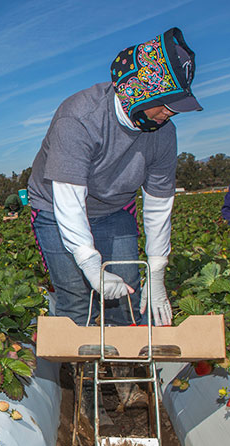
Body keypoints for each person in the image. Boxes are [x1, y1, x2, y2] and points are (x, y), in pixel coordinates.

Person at [27, 27, 202, 329]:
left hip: (114, 209)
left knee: (127, 294)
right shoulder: (80, 118)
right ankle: (77, 369)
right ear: (141, 90)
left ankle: (126, 369)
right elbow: (69, 200)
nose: (170, 113)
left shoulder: (164, 134)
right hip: (55, 211)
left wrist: (157, 272)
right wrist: (91, 265)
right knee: (77, 297)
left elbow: (159, 203)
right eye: (167, 102)